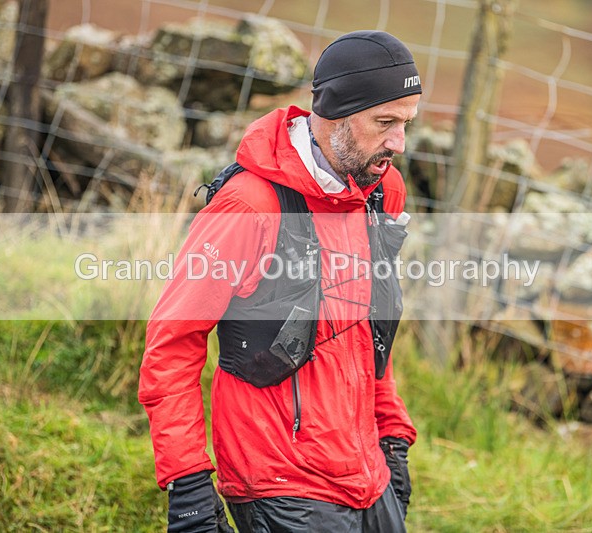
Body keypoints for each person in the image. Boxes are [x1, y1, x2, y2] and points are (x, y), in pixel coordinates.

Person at [139, 30, 422, 532]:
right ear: (335, 113)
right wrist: (187, 482)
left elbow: (369, 331)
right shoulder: (250, 207)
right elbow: (172, 343)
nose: (398, 142)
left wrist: (393, 434)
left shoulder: (382, 191)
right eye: (385, 122)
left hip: (366, 472)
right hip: (280, 481)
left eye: (405, 123)